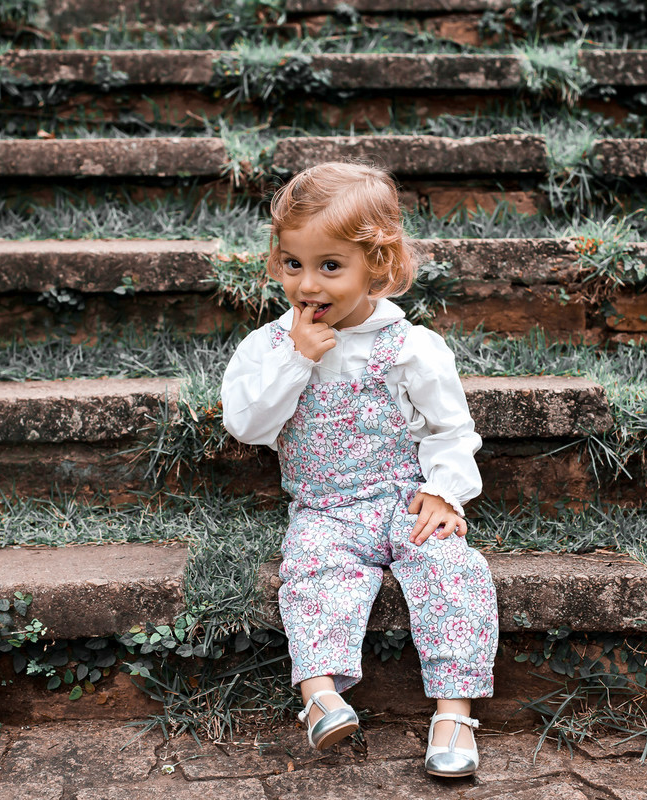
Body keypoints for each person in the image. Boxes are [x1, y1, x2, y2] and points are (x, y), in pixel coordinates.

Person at [220, 161, 499, 778]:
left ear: (377, 264)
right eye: (294, 264)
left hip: (402, 498)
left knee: (453, 567)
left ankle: (453, 711)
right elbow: (246, 423)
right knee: (312, 574)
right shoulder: (270, 346)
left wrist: (444, 492)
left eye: (330, 266)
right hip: (323, 509)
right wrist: (295, 361)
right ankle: (319, 696)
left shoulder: (410, 346)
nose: (308, 285)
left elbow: (451, 429)